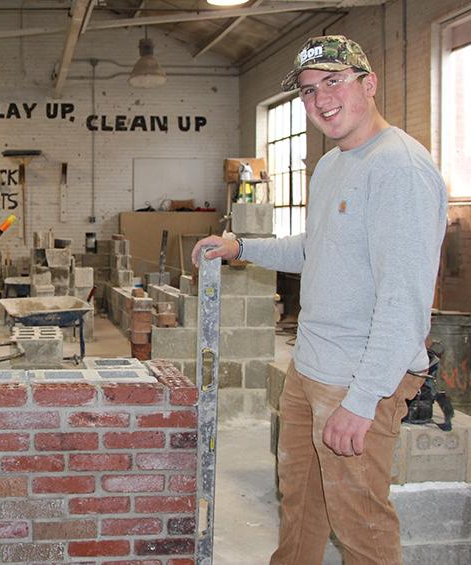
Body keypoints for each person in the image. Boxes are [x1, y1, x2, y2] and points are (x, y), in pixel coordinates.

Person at [192, 35, 447, 565]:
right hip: (309, 369)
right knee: (301, 505)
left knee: (361, 524)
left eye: (334, 81)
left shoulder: (399, 167)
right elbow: (316, 248)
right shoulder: (333, 164)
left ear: (368, 84)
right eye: (308, 91)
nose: (320, 100)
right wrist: (241, 246)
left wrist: (362, 400)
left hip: (357, 379)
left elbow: (406, 302)